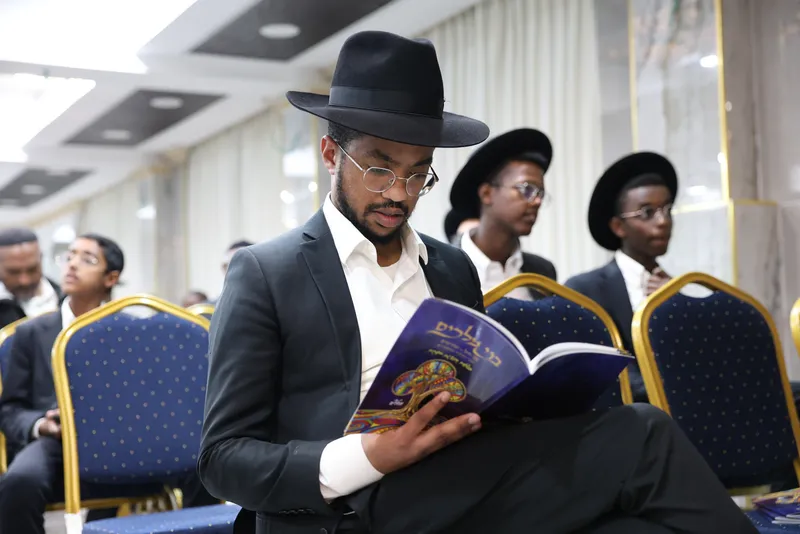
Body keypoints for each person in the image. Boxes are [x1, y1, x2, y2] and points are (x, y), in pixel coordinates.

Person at [197, 31, 757, 534]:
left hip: (466, 481)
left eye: (419, 172)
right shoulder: (267, 272)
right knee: (646, 434)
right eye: (379, 168)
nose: (399, 193)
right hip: (352, 508)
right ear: (330, 154)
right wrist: (371, 455)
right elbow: (223, 459)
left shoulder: (449, 267)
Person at [0, 233, 216, 534]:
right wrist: (42, 425)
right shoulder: (31, 334)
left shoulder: (136, 335)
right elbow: (10, 409)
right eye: (70, 256)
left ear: (111, 278)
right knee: (19, 481)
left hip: (129, 436)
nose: (72, 265)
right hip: (58, 442)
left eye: (86, 259)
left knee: (204, 461)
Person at [565, 152, 677, 402]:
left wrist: (678, 305)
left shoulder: (675, 287)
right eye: (647, 212)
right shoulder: (584, 289)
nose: (663, 221)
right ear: (618, 227)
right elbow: (601, 371)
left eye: (667, 209)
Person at [448, 128, 557, 299]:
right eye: (527, 189)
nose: (537, 201)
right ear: (487, 194)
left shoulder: (542, 271)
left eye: (540, 193)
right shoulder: (442, 267)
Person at [0, 228, 61, 329]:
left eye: (32, 270)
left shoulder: (66, 300)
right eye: (14, 272)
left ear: (41, 259)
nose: (24, 281)